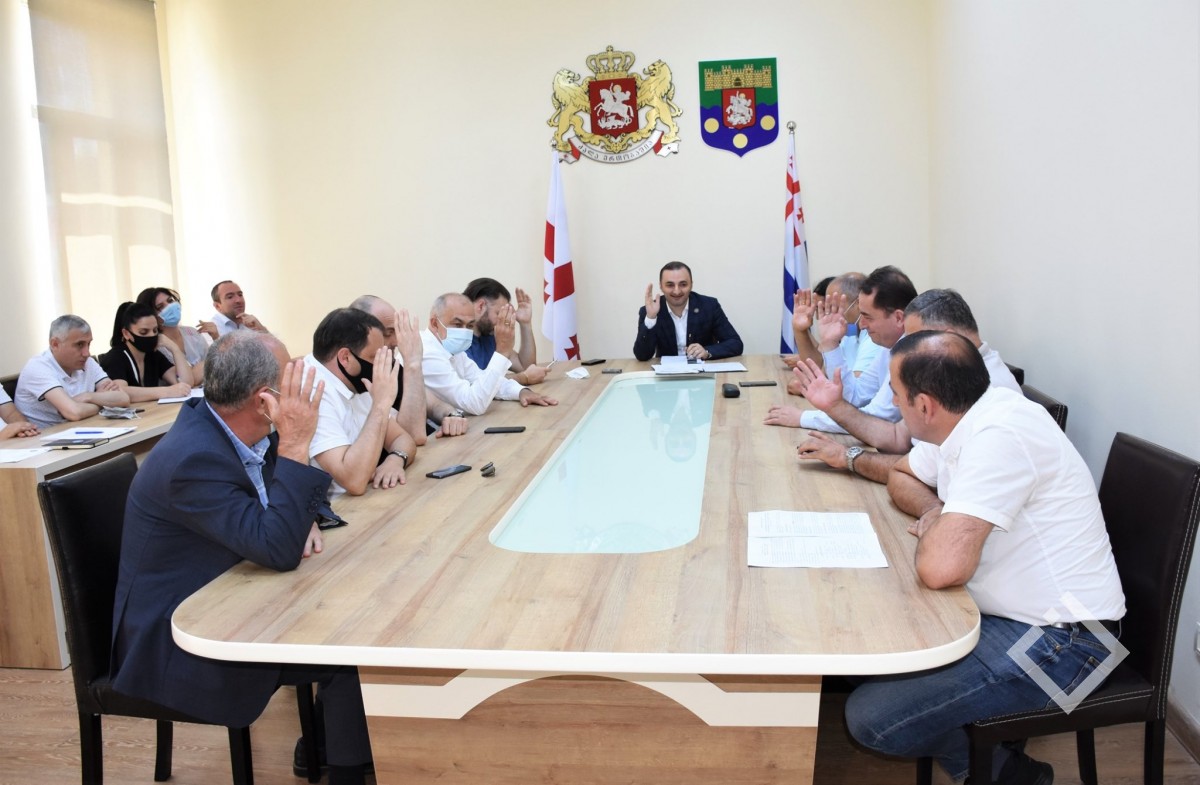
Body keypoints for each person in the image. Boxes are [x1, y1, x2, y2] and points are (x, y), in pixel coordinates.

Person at [843, 330, 1124, 785]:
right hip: (1011, 616)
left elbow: (940, 569)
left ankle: (1007, 772)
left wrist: (941, 531)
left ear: (925, 405)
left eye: (896, 394)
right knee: (858, 654)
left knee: (871, 719)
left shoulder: (1001, 435)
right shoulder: (963, 417)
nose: (893, 403)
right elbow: (901, 475)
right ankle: (995, 760)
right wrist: (938, 512)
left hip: (1071, 645)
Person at [109, 331, 373, 785]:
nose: (301, 391)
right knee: (351, 653)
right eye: (290, 382)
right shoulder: (193, 460)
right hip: (179, 638)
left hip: (230, 591)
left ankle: (331, 746)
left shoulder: (231, 428)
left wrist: (301, 518)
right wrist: (296, 444)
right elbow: (277, 549)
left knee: (350, 617)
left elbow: (279, 507)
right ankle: (346, 771)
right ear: (265, 401)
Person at [780, 289, 1022, 481]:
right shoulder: (948, 369)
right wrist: (834, 408)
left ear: (949, 338)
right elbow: (899, 437)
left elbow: (930, 474)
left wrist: (848, 456)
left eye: (916, 340)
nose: (908, 348)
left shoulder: (988, 388)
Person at [766, 265, 916, 434]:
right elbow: (855, 397)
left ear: (898, 318)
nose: (862, 325)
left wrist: (803, 418)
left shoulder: (912, 353)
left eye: (868, 317)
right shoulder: (890, 347)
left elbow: (878, 420)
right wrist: (830, 343)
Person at [304, 308, 420, 497]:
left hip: (370, 496)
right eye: (374, 357)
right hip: (338, 509)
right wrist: (381, 405)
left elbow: (403, 439)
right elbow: (353, 481)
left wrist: (395, 459)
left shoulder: (353, 377)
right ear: (345, 357)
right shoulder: (312, 391)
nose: (381, 365)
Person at [349, 294, 465, 439]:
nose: (396, 341)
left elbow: (433, 404)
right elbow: (413, 435)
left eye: (396, 332)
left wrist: (452, 415)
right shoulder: (360, 375)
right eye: (388, 333)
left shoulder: (390, 366)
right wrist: (412, 362)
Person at [421, 293, 557, 416]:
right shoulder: (426, 352)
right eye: (457, 324)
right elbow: (473, 404)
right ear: (434, 323)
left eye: (469, 326)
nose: (464, 331)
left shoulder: (451, 347)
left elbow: (480, 378)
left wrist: (521, 392)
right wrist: (502, 351)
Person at [14, 315, 131, 429]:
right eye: (79, 344)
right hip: (46, 437)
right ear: (55, 344)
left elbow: (123, 398)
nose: (87, 353)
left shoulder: (87, 362)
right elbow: (74, 413)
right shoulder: (38, 367)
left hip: (84, 429)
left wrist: (88, 396)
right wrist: (104, 403)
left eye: (88, 344)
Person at [633, 261, 743, 361]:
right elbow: (642, 355)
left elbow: (735, 343)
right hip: (667, 374)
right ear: (661, 286)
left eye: (683, 284)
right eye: (670, 285)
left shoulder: (709, 306)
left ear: (691, 285)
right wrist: (651, 318)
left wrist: (707, 352)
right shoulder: (649, 311)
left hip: (702, 372)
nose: (677, 291)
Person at [784, 272, 882, 375]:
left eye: (832, 306)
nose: (828, 313)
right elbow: (820, 370)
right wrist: (800, 330)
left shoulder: (874, 337)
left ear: (857, 303)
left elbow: (858, 384)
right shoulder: (850, 335)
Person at [97, 302, 194, 402]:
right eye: (144, 332)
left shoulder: (152, 354)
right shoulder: (115, 357)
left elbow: (186, 383)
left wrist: (174, 348)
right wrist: (167, 391)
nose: (151, 335)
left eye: (155, 330)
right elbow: (120, 391)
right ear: (126, 334)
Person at [462, 278, 548, 385]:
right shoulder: (457, 341)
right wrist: (522, 378)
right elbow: (476, 386)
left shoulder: (489, 336)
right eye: (499, 313)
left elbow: (525, 367)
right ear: (480, 306)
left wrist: (525, 323)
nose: (503, 319)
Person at [135, 286, 211, 383]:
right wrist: (208, 363)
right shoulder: (156, 345)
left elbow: (215, 366)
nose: (170, 306)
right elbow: (188, 380)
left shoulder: (192, 332)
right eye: (160, 307)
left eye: (170, 301)